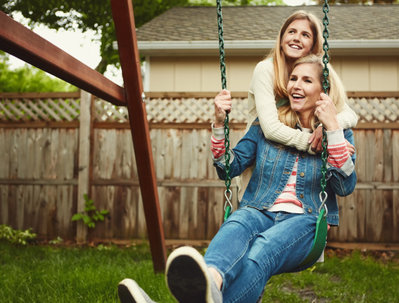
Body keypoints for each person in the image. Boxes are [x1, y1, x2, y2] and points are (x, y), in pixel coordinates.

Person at [118, 54, 357, 303]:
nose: (296, 85)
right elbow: (228, 167)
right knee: (237, 224)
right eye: (293, 78)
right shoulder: (267, 126)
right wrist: (219, 124)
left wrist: (334, 133)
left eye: (307, 80)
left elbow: (344, 186)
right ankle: (210, 282)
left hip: (305, 221)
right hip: (259, 209)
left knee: (261, 251)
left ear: (323, 91)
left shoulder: (339, 131)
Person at [237, 10, 358, 200]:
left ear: (313, 44)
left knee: (302, 203)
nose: (296, 38)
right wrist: (314, 144)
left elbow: (350, 114)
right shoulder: (266, 69)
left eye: (305, 34)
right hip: (264, 150)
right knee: (256, 205)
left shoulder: (318, 70)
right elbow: (270, 129)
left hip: (299, 156)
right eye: (291, 32)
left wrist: (327, 128)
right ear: (281, 37)